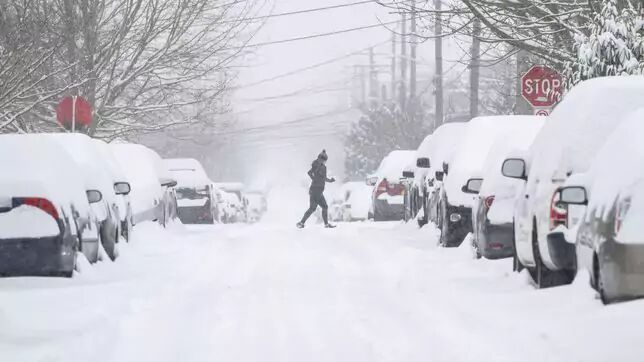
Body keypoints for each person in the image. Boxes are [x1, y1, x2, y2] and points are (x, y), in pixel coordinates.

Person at [297, 150, 336, 228]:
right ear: (321, 159)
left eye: (325, 160)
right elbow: (311, 173)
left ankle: (301, 223)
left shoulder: (322, 166)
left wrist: (329, 180)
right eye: (324, 160)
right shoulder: (318, 165)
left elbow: (322, 177)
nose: (324, 162)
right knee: (323, 207)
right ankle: (326, 224)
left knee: (313, 208)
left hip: (316, 190)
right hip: (316, 190)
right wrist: (314, 178)